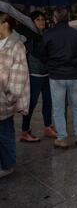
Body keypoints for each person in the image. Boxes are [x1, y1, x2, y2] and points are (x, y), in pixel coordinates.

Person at [41, 7, 77, 148]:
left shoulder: (48, 34)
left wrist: (51, 63)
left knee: (58, 108)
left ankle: (62, 137)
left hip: (56, 75)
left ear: (55, 18)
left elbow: (42, 54)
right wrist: (75, 61)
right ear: (68, 18)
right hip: (74, 75)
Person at [0, 13, 30, 178]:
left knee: (4, 134)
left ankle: (8, 165)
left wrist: (7, 99)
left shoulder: (16, 46)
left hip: (4, 102)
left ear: (5, 24)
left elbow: (18, 81)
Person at [20, 11, 56, 142]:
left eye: (43, 19)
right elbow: (38, 54)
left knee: (48, 101)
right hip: (34, 75)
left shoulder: (45, 35)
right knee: (31, 104)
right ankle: (25, 131)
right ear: (32, 22)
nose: (41, 22)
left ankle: (47, 127)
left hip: (46, 74)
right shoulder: (28, 36)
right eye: (38, 19)